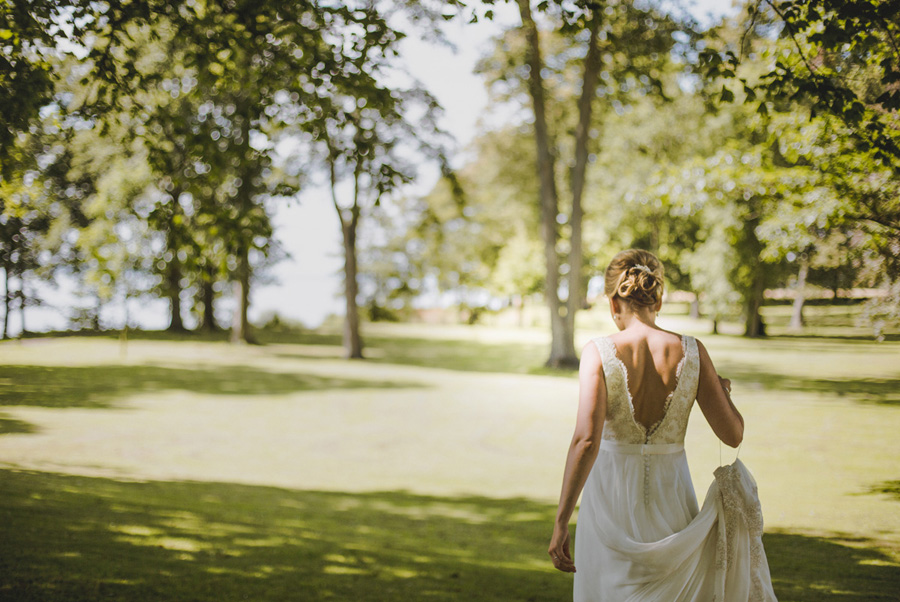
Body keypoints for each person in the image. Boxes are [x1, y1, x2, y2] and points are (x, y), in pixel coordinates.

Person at [548, 249, 777, 601]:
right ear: (659, 298)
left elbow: (586, 441)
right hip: (671, 493)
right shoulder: (693, 351)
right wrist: (723, 392)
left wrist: (562, 520)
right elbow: (733, 435)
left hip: (610, 498)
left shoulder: (599, 351)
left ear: (614, 302)